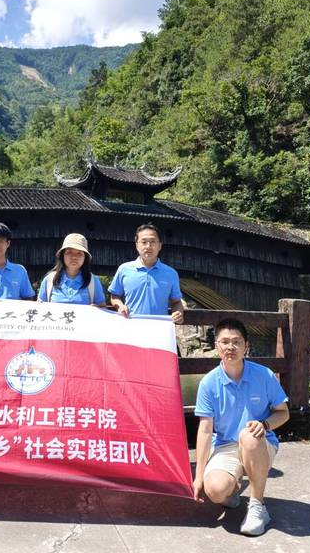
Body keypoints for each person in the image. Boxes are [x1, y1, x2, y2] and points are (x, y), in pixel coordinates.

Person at [193, 317, 290, 536]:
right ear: (216, 346)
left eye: (236, 341)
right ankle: (232, 490)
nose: (230, 347)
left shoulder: (263, 375)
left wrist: (265, 424)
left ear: (246, 345)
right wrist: (198, 476)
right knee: (215, 490)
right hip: (226, 445)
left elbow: (283, 413)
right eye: (225, 341)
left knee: (248, 436)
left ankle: (258, 505)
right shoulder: (208, 383)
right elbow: (205, 430)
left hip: (259, 442)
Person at [108, 223, 184, 323]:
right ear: (137, 245)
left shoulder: (171, 273)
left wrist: (178, 313)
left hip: (160, 328)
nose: (148, 246)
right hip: (131, 326)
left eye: (153, 242)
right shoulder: (124, 269)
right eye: (144, 242)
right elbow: (114, 296)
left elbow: (176, 302)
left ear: (160, 245)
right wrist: (120, 306)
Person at [37, 233, 105, 305]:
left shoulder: (93, 281)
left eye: (79, 253)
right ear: (62, 255)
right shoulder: (49, 280)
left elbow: (102, 306)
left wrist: (97, 308)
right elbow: (40, 307)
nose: (74, 257)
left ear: (85, 258)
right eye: (69, 252)